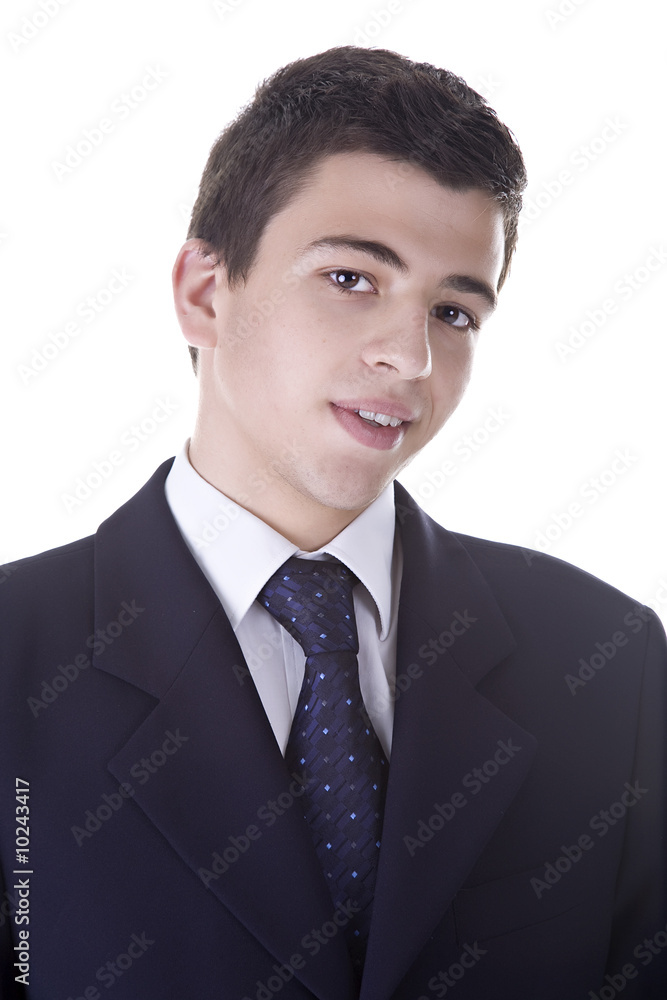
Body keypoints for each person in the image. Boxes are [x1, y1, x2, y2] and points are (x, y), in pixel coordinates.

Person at [1, 45, 665, 1000]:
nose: (410, 357)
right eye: (352, 279)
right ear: (203, 292)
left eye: (453, 312)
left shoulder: (608, 660)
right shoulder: (19, 650)